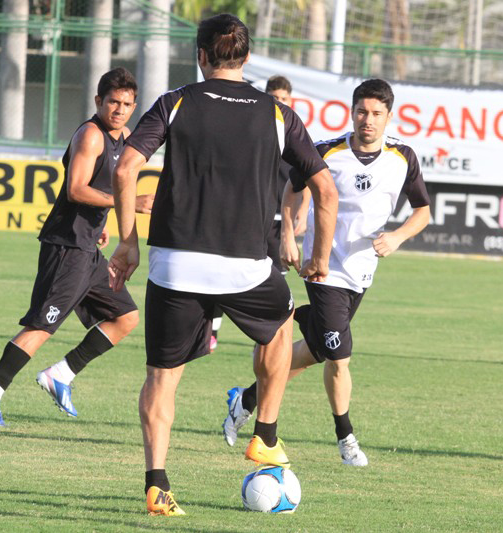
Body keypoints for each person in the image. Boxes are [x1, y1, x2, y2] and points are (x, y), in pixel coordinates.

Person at [107, 14, 338, 516]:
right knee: (281, 327)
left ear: (201, 56)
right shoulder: (277, 113)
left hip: (173, 265)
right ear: (247, 58)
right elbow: (325, 189)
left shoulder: (175, 102)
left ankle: (157, 486)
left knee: (162, 377)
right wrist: (319, 257)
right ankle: (265, 436)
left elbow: (126, 168)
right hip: (245, 266)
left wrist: (128, 244)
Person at [221, 78, 431, 466]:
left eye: (377, 113)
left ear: (389, 116)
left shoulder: (403, 157)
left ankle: (248, 395)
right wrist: (289, 234)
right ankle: (345, 438)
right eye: (362, 112)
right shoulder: (325, 152)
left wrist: (398, 236)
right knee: (339, 357)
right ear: (352, 112)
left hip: (361, 272)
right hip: (323, 268)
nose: (368, 120)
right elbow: (292, 190)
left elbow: (423, 211)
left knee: (317, 349)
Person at [0, 68, 153, 426]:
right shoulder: (91, 135)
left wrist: (102, 223)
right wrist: (127, 203)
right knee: (42, 325)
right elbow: (76, 189)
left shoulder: (125, 137)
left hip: (87, 247)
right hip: (66, 245)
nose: (119, 110)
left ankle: (60, 375)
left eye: (127, 104)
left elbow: (104, 189)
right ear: (98, 101)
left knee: (126, 317)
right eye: (113, 102)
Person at [209, 74, 304, 352]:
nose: (279, 102)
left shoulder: (294, 133)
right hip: (250, 218)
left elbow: (308, 176)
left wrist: (302, 211)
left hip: (279, 222)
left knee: (275, 282)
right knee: (225, 273)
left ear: (291, 100)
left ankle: (265, 340)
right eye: (274, 98)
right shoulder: (253, 127)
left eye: (284, 98)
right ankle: (212, 331)